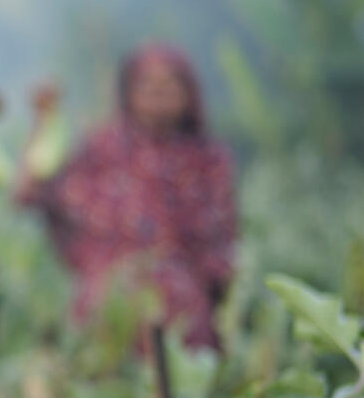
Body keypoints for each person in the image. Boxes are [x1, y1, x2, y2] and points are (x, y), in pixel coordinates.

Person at [20, 43, 237, 350]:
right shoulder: (101, 149)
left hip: (185, 321)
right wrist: (44, 123)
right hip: (106, 313)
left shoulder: (209, 160)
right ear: (129, 92)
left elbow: (223, 248)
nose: (158, 91)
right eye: (147, 83)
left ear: (189, 92)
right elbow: (39, 193)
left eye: (170, 82)